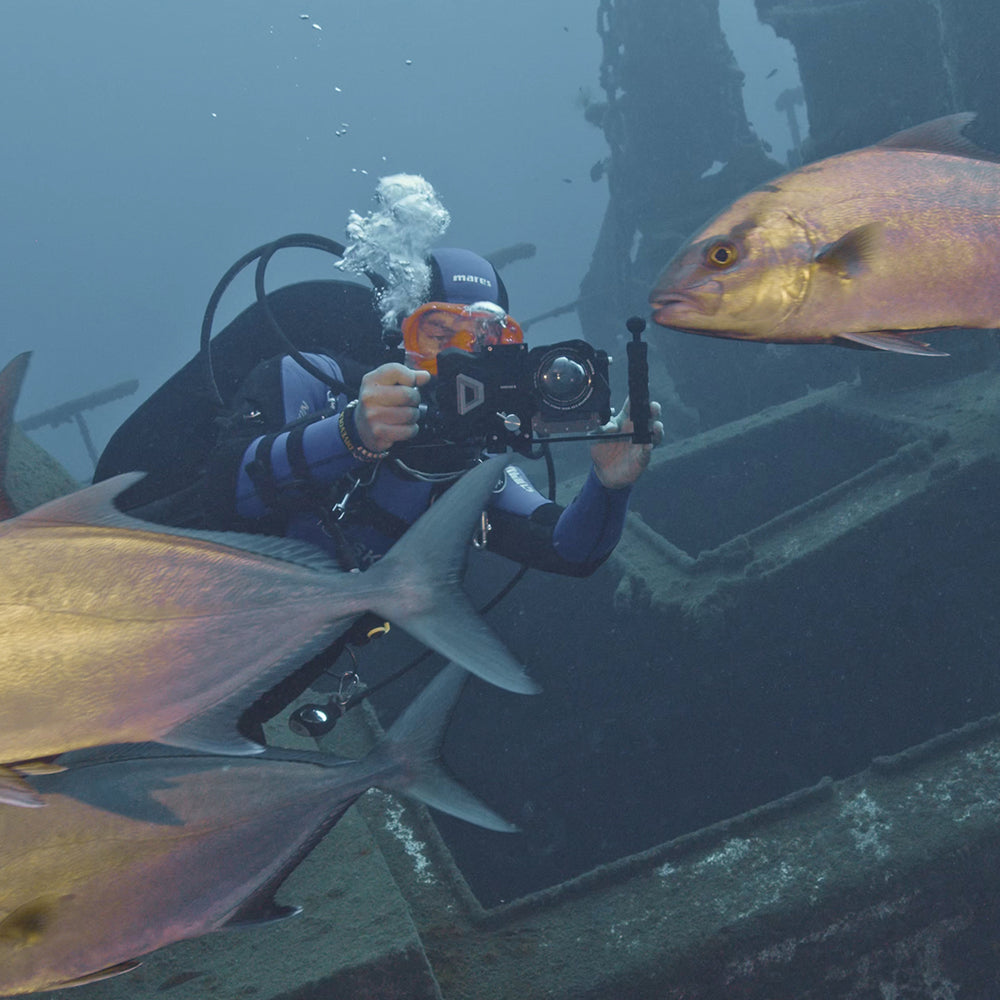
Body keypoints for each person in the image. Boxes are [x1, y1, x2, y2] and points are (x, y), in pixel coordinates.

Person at [190, 247, 663, 736]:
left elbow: (570, 549)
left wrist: (610, 484)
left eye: (484, 338)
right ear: (400, 330)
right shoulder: (312, 379)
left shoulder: (473, 465)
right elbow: (224, 492)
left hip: (254, 694)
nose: (460, 355)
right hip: (172, 612)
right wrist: (351, 433)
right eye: (437, 333)